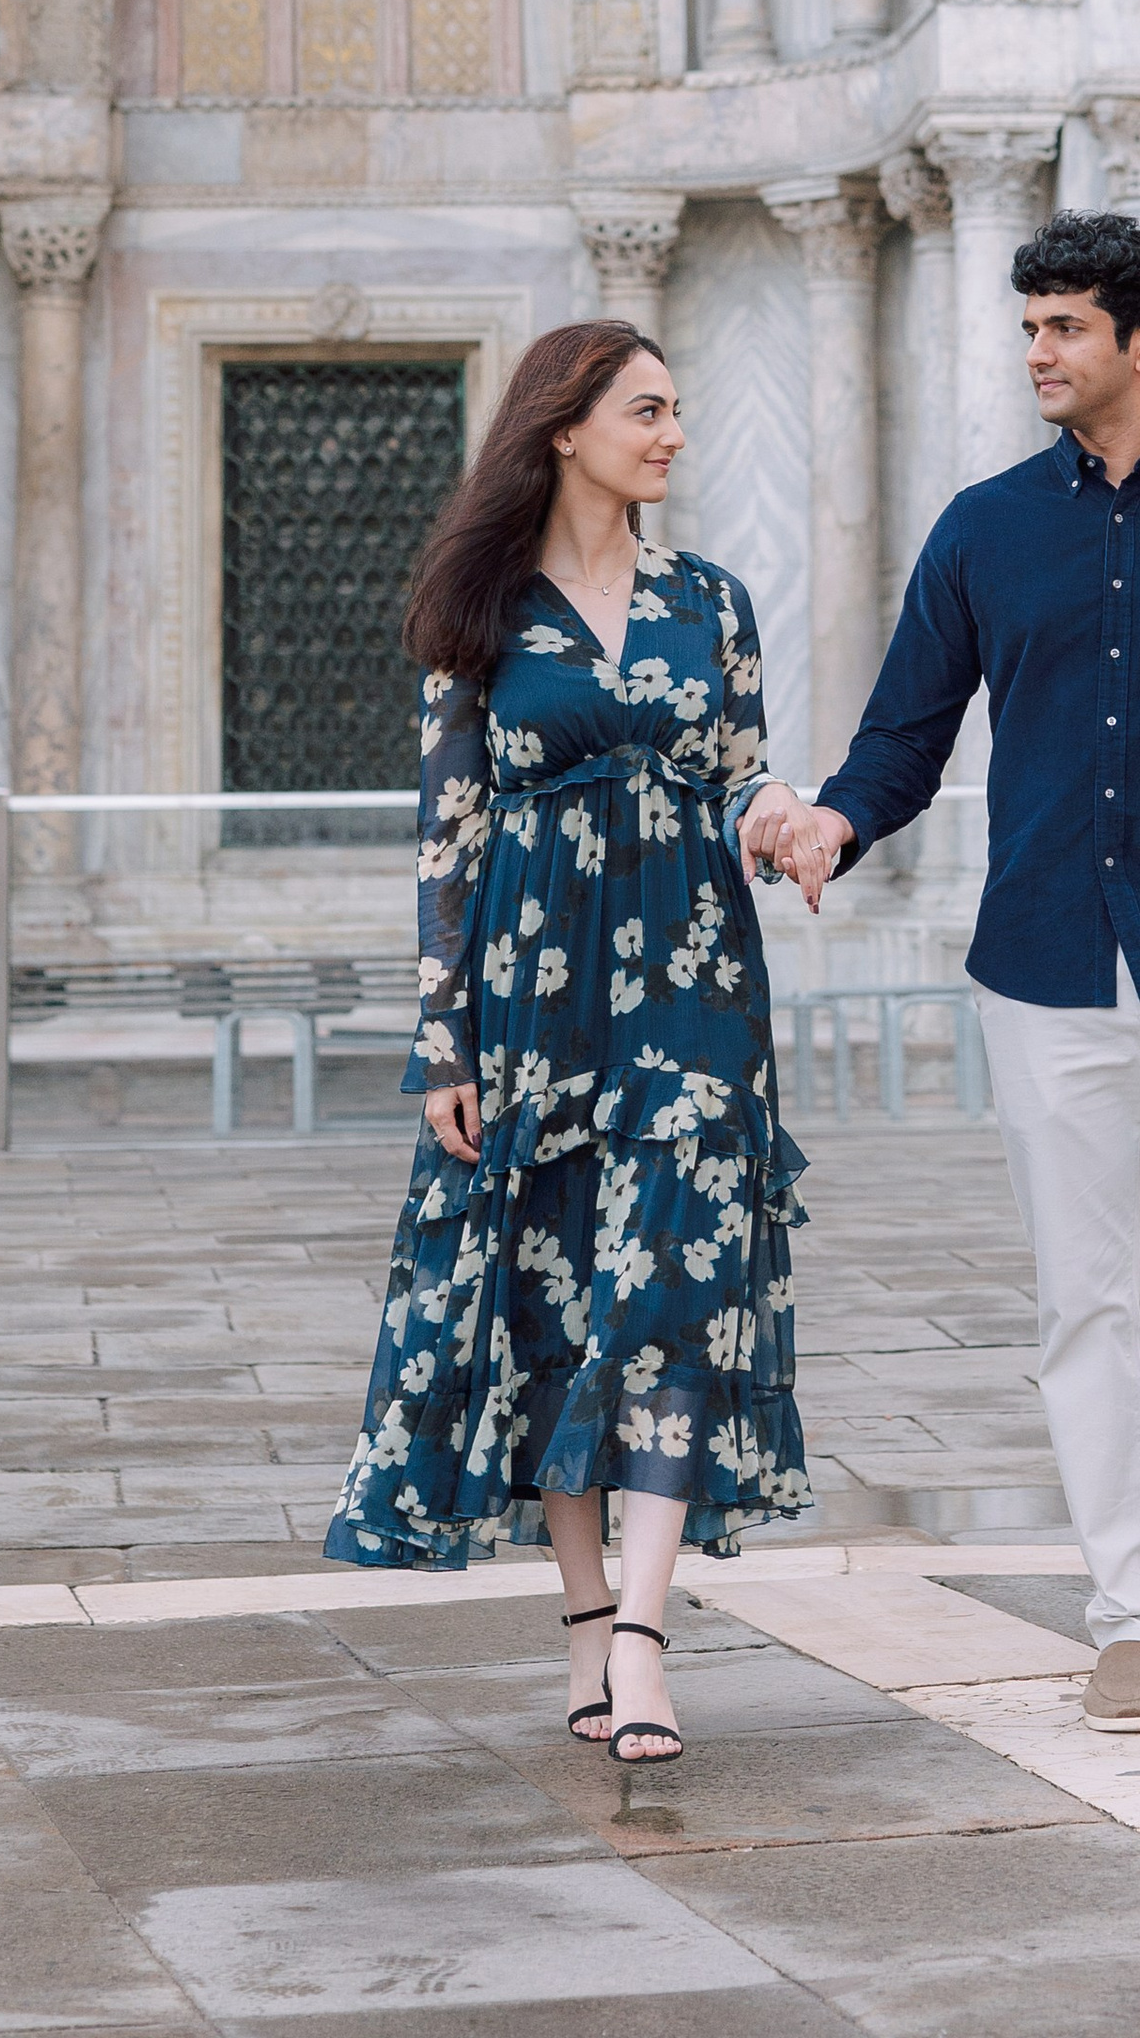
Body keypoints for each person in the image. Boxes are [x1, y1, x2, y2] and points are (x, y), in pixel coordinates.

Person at [745, 209, 1140, 1739]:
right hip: (1040, 967)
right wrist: (838, 819)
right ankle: (1129, 1613)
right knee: (1082, 1305)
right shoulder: (981, 529)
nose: (1036, 352)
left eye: (1064, 328)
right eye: (1028, 326)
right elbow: (909, 726)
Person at [326, 318, 812, 1767]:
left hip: (695, 980)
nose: (671, 435)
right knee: (552, 1301)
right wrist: (444, 1043)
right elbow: (449, 837)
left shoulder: (709, 599)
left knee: (668, 1291)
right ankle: (590, 1626)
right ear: (565, 426)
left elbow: (738, 770)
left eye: (675, 411)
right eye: (648, 410)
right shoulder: (476, 609)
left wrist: (782, 818)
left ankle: (647, 1644)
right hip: (536, 994)